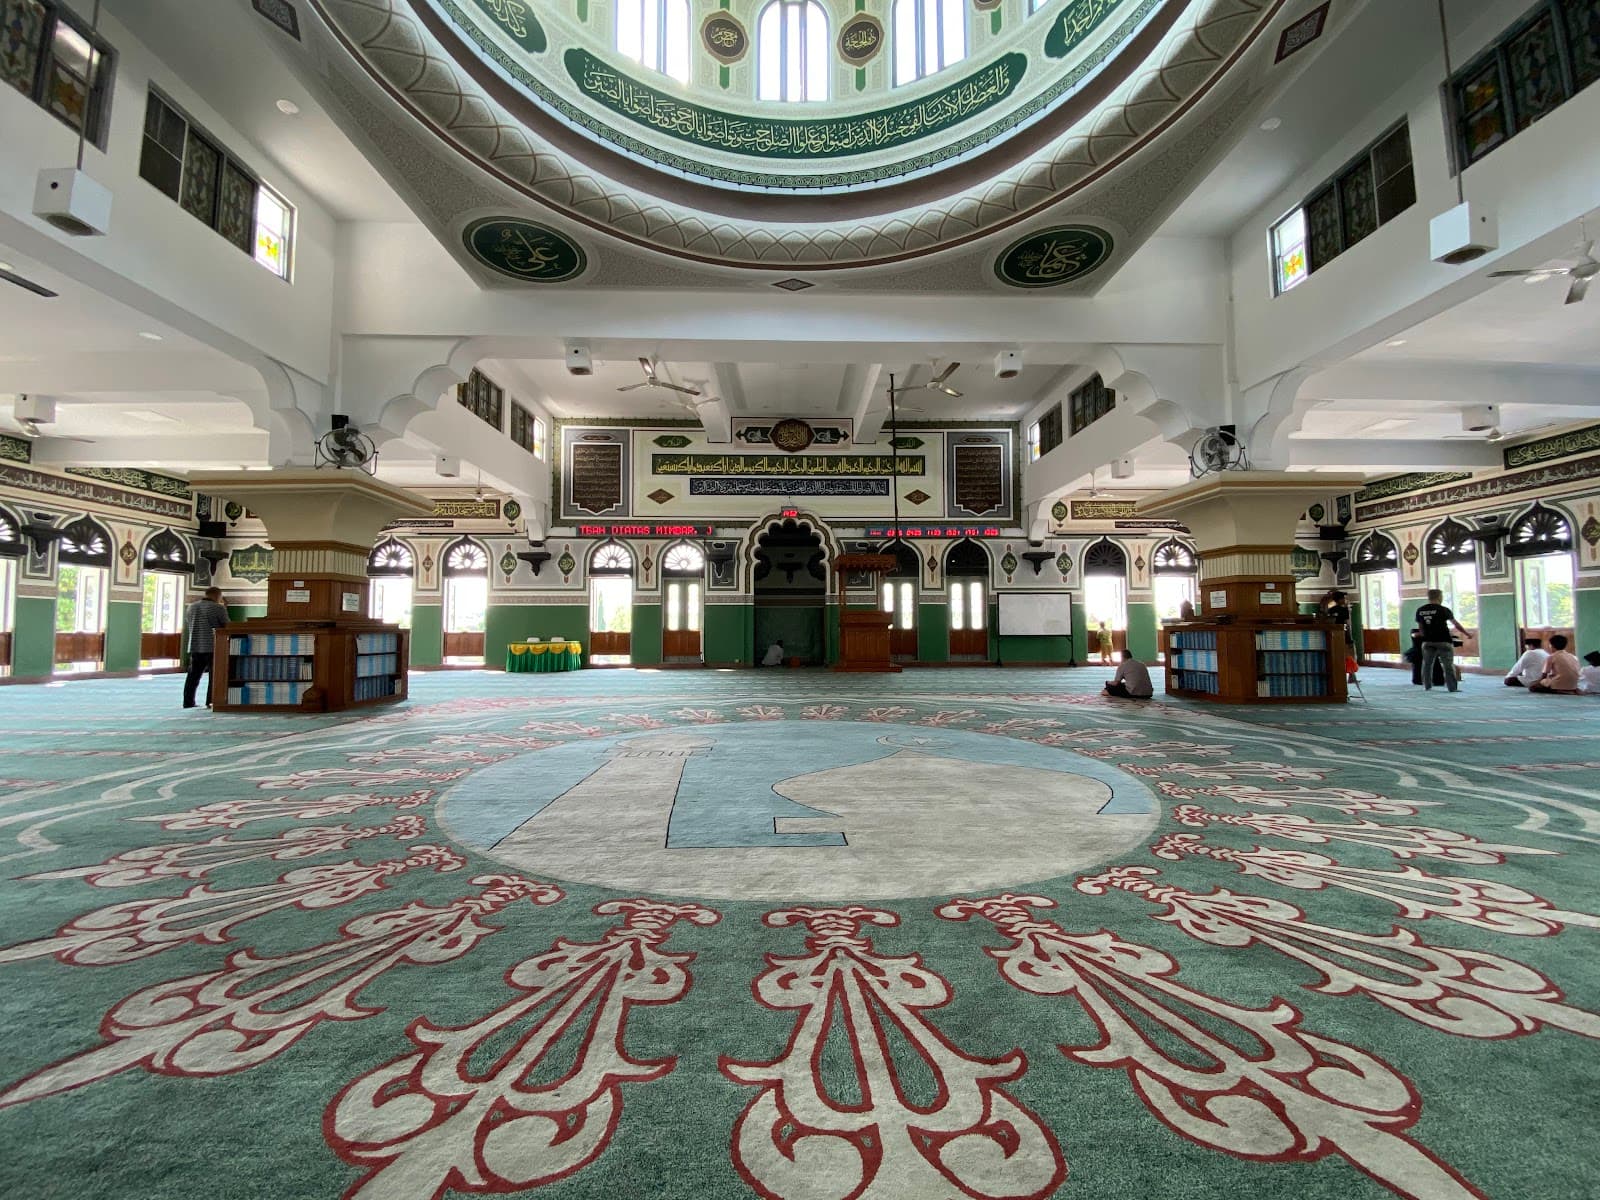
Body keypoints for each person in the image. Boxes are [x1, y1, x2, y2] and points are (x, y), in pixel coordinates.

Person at [181, 586, 229, 709]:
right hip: (213, 646)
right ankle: (211, 701)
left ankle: (188, 702)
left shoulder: (192, 607)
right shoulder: (218, 608)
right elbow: (227, 625)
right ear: (217, 595)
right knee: (214, 675)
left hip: (195, 645)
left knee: (193, 675)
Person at [1415, 589, 1469, 693]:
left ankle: (1427, 686)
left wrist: (1423, 635)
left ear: (1429, 597)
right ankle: (1452, 688)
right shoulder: (1444, 610)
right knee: (1448, 665)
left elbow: (1421, 628)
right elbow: (1456, 624)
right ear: (1440, 597)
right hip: (1443, 641)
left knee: (1427, 665)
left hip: (1427, 642)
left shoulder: (1420, 610)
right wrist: (1467, 634)